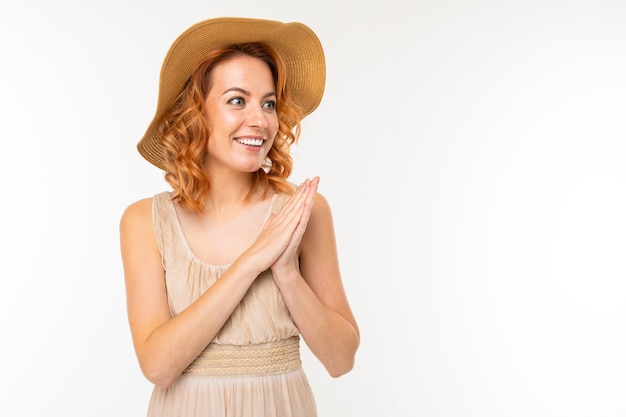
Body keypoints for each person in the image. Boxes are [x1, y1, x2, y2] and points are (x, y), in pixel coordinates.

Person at [119, 17, 360, 417]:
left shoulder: (304, 211)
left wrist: (286, 273)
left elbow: (341, 359)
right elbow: (158, 367)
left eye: (268, 103)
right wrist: (250, 263)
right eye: (237, 100)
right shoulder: (144, 221)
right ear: (196, 114)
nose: (260, 120)